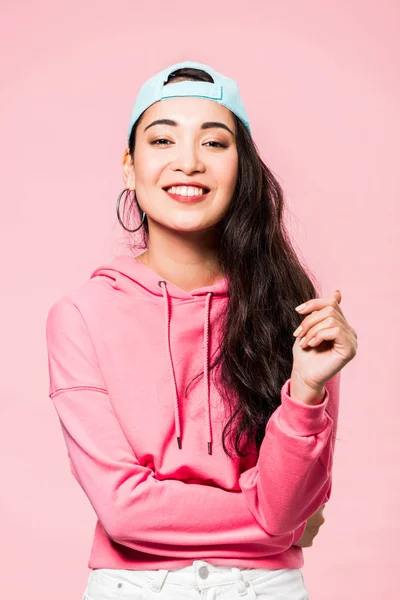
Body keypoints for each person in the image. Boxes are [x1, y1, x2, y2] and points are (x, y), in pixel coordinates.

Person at [45, 60, 357, 600]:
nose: (187, 163)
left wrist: (306, 389)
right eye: (162, 140)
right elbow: (124, 512)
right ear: (129, 167)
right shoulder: (81, 315)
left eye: (214, 144)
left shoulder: (293, 310)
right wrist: (265, 517)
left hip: (269, 589)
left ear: (243, 168)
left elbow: (300, 511)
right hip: (133, 588)